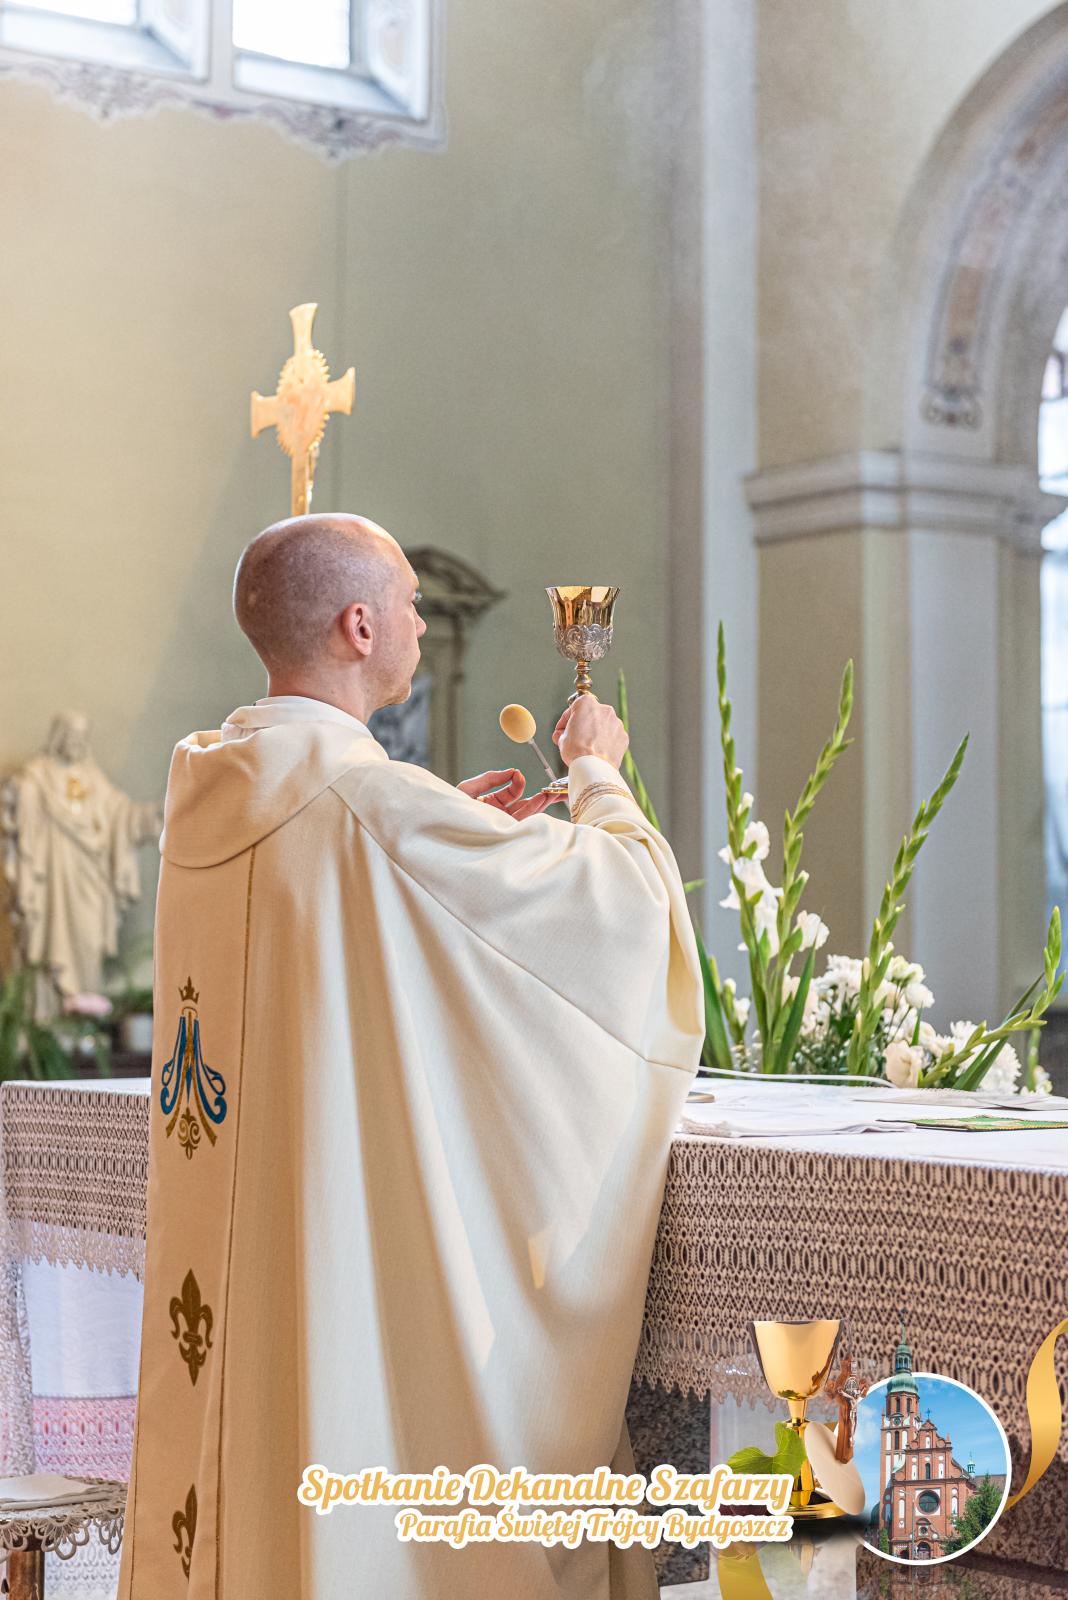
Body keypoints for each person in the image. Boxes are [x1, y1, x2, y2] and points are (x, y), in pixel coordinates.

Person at [119, 513, 703, 1600]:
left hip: (247, 1239)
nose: (423, 625)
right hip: (333, 1236)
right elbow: (621, 915)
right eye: (411, 605)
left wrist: (434, 834)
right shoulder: (369, 804)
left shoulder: (216, 790)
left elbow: (354, 935)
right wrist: (597, 776)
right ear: (358, 625)